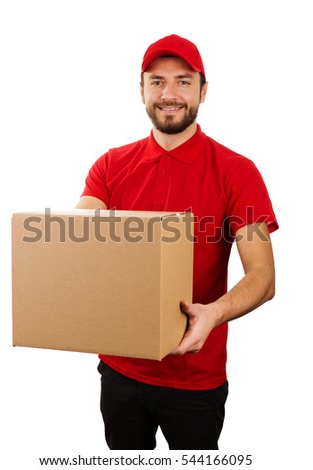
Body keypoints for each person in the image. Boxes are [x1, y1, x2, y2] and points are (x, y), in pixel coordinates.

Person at [76, 34, 278, 450]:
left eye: (183, 81)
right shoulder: (110, 165)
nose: (169, 94)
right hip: (119, 370)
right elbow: (78, 242)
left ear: (204, 90)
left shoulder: (237, 172)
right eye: (157, 81)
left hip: (195, 378)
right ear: (142, 91)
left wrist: (215, 313)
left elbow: (263, 276)